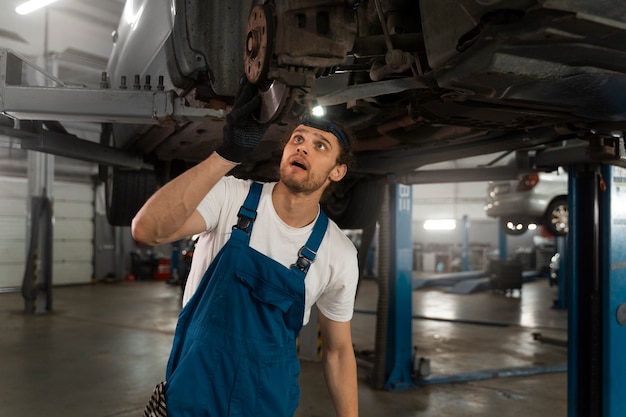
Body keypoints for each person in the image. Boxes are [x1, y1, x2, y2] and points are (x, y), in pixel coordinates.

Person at [132, 76, 359, 417]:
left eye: (320, 145)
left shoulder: (337, 253)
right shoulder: (230, 197)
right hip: (192, 398)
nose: (302, 147)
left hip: (267, 404)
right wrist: (227, 155)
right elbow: (146, 230)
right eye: (298, 138)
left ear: (337, 172)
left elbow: (339, 352)